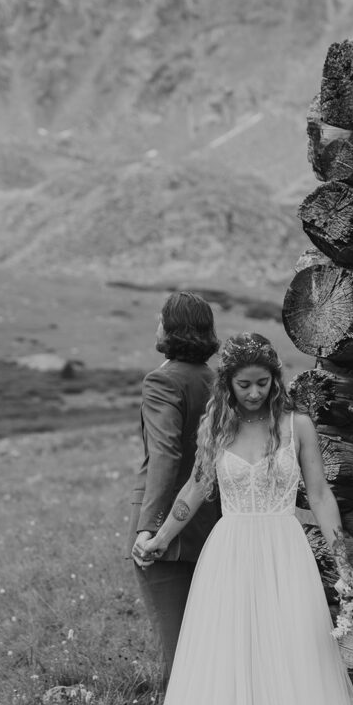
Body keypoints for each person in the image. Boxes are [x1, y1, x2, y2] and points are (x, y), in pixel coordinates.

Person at [99, 332, 353, 705]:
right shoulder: (219, 428)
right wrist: (160, 537)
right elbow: (194, 490)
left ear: (276, 379)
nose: (254, 393)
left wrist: (341, 555)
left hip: (283, 552)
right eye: (243, 384)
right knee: (230, 661)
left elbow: (317, 493)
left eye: (263, 382)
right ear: (227, 385)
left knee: (292, 658)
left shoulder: (297, 426)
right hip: (229, 556)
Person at [128, 291, 219, 683]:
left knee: (175, 644)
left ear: (171, 328)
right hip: (213, 521)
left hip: (168, 525)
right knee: (206, 638)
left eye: (160, 318)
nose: (156, 324)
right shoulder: (216, 380)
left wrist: (149, 526)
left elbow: (165, 454)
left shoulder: (163, 380)